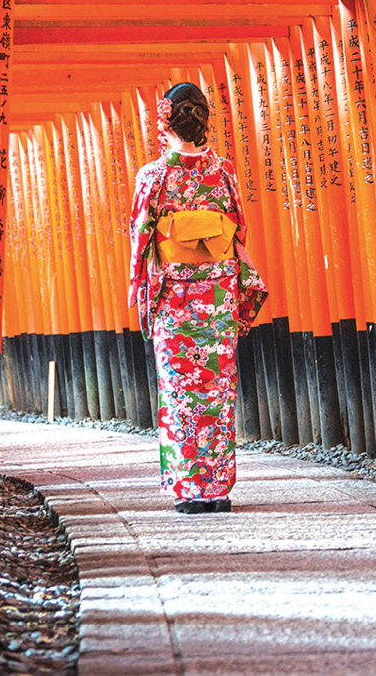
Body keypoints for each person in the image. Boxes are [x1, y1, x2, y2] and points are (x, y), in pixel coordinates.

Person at [127, 82, 268, 513]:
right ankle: (218, 487)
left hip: (174, 296)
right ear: (204, 120)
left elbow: (140, 238)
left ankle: (190, 489)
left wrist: (140, 289)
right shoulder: (223, 172)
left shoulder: (154, 175)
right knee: (217, 387)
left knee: (179, 389)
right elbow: (238, 229)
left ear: (163, 120)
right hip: (218, 292)